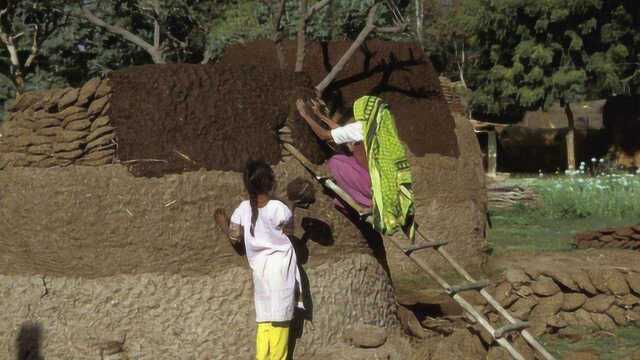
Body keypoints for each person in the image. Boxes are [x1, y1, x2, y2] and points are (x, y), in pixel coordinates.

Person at [214, 160, 302, 360]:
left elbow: (235, 237)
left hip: (260, 271)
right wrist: (291, 204)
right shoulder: (279, 208)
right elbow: (289, 230)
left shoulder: (242, 209)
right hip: (280, 269)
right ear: (271, 182)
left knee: (264, 319)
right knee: (280, 320)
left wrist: (224, 226)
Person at [296, 98, 372, 210]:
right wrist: (320, 115)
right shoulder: (371, 127)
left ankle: (363, 200)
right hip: (376, 172)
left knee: (336, 162)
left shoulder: (359, 128)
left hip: (371, 181)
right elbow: (342, 131)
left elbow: (323, 135)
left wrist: (305, 116)